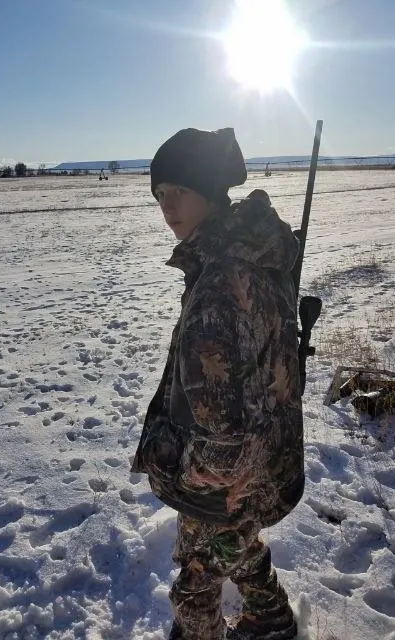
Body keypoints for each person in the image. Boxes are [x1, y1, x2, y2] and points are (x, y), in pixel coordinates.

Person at [131, 128, 303, 640]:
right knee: (236, 540)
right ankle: (269, 619)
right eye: (160, 195)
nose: (168, 207)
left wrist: (207, 485)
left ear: (209, 191)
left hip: (220, 470)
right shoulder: (253, 253)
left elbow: (218, 410)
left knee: (197, 578)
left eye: (178, 192)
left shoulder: (218, 282)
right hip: (264, 454)